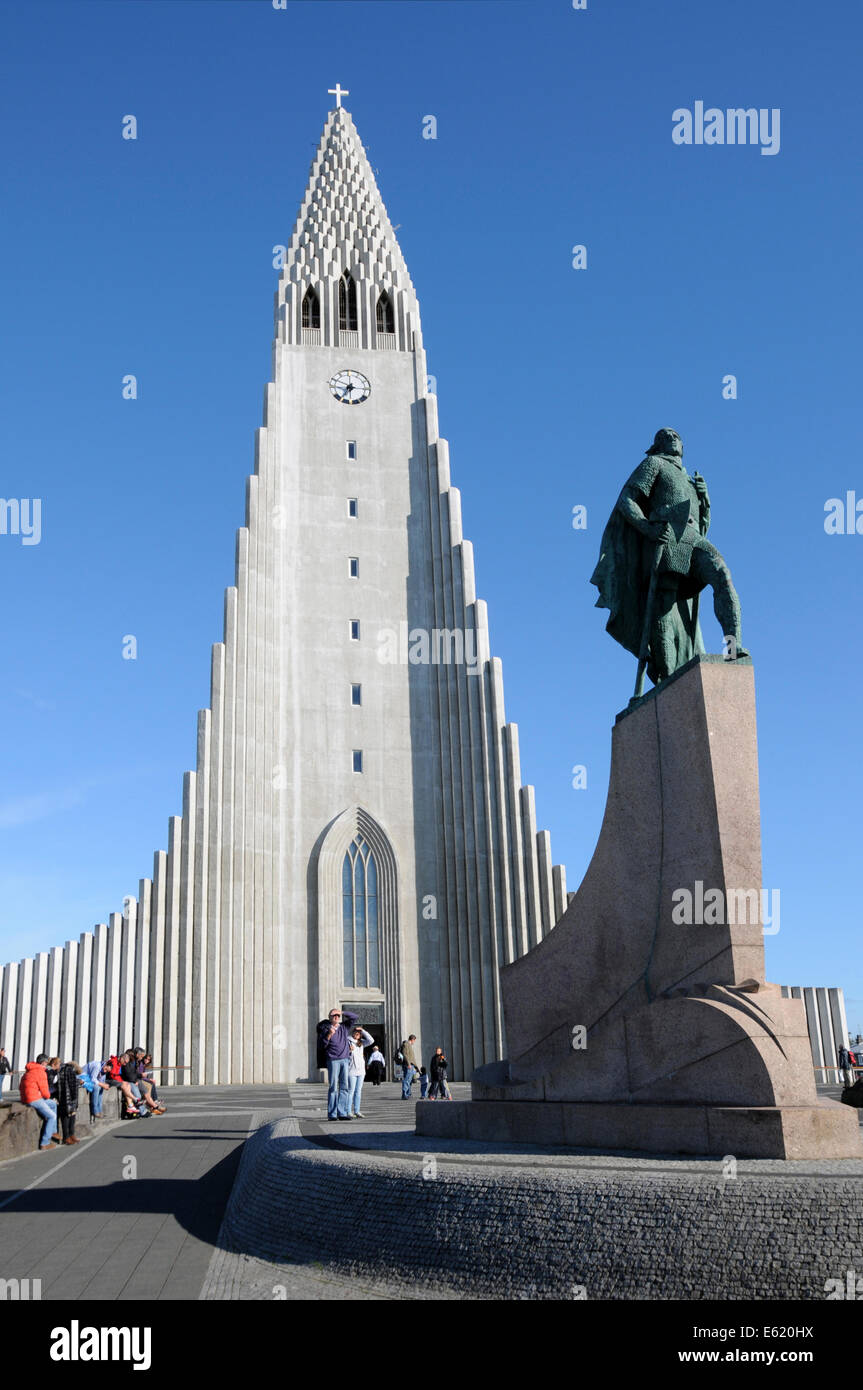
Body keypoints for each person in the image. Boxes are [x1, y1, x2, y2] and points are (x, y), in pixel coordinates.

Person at [591, 428, 748, 689]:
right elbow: (627, 500)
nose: (673, 437)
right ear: (656, 445)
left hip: (692, 538)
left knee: (722, 574)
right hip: (666, 539)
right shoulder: (654, 464)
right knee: (663, 604)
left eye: (677, 436)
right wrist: (646, 527)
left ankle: (733, 647)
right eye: (665, 435)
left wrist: (705, 501)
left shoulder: (689, 478)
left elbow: (701, 524)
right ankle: (668, 676)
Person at [316, 1007, 359, 1120]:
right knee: (333, 1087)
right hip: (333, 1060)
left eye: (338, 1015)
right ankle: (332, 1114)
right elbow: (321, 1046)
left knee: (344, 1087)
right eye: (333, 1015)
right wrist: (329, 1035)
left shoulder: (344, 1027)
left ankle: (342, 1113)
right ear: (329, 1018)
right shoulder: (326, 1029)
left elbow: (355, 1017)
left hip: (345, 1060)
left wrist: (342, 1012)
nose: (336, 1017)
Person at [19, 1054, 59, 1150]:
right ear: (43, 1063)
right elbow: (45, 1092)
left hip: (26, 1098)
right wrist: (49, 1097)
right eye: (46, 1063)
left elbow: (20, 1087)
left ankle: (53, 1131)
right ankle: (45, 1143)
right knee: (52, 1116)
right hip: (34, 1099)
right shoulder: (40, 1072)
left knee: (53, 1105)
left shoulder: (29, 1070)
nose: (47, 1065)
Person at [347, 1024, 374, 1118]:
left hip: (361, 1071)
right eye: (356, 1032)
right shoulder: (348, 1041)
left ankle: (357, 1111)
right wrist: (348, 1051)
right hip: (351, 1070)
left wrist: (363, 1030)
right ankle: (348, 1111)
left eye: (359, 1033)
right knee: (351, 1091)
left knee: (358, 1091)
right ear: (353, 1032)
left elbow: (371, 1040)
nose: (357, 1034)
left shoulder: (361, 1043)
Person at [56, 1062, 85, 1145]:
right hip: (69, 1098)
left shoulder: (64, 1069)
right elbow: (72, 1084)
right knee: (68, 1117)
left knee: (69, 1117)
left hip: (64, 1097)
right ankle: (67, 1137)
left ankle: (70, 1135)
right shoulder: (70, 1071)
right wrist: (79, 1082)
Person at [401, 1034, 419, 1099]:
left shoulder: (409, 1045)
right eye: (414, 1040)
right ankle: (405, 1094)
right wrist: (408, 1064)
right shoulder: (406, 1044)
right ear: (412, 1039)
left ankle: (408, 1093)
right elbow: (405, 1055)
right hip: (408, 1065)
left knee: (410, 1080)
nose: (414, 1042)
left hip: (411, 1065)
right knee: (407, 1080)